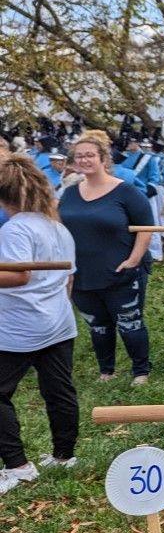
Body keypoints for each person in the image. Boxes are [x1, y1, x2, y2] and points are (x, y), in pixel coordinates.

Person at [0, 156, 78, 494]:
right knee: (58, 390)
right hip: (58, 322)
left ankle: (18, 467)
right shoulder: (56, 226)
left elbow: (19, 274)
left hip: (20, 328)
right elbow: (68, 280)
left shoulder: (16, 228)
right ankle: (64, 455)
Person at [59, 131, 154, 385]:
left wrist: (133, 259)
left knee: (130, 324)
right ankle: (106, 370)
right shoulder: (69, 194)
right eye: (79, 156)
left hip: (120, 271)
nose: (84, 160)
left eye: (90, 155)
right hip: (83, 274)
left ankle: (140, 371)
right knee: (98, 327)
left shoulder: (126, 192)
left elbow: (146, 227)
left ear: (103, 158)